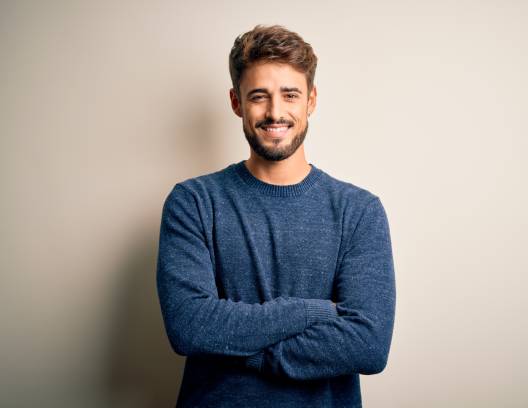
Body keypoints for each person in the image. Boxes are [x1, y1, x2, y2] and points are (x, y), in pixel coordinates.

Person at [156, 24, 396, 408]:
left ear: (311, 100)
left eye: (290, 95)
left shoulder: (359, 211)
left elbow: (368, 345)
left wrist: (239, 349)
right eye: (258, 96)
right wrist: (310, 311)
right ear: (236, 102)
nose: (275, 112)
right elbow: (189, 327)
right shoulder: (194, 202)